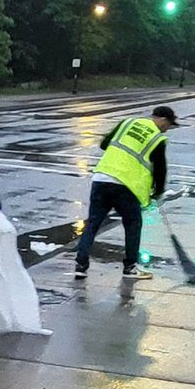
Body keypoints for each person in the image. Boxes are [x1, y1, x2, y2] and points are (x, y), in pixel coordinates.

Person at [75, 106, 179, 280]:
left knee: (93, 223)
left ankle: (80, 265)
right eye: (168, 125)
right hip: (125, 186)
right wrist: (158, 191)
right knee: (133, 224)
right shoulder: (157, 138)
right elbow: (161, 169)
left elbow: (104, 144)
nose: (167, 129)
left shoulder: (127, 123)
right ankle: (130, 268)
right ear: (162, 119)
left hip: (102, 178)